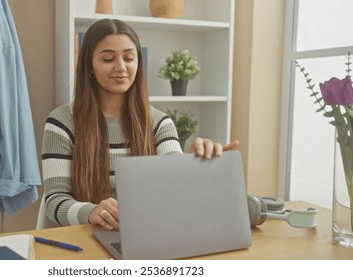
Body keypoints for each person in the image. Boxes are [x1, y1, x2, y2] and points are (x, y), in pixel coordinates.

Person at [42, 18, 239, 231]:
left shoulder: (160, 124)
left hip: (148, 232)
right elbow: (55, 201)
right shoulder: (62, 122)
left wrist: (193, 166)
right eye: (108, 59)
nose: (121, 67)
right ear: (89, 65)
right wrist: (91, 212)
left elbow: (177, 187)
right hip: (86, 236)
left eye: (129, 58)